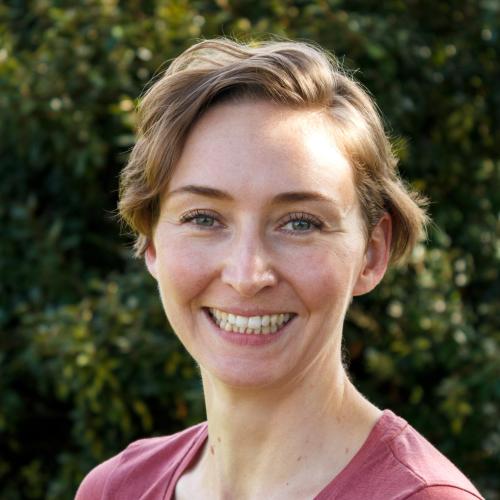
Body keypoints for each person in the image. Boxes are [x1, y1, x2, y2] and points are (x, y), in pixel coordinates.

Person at [76, 38, 483, 499]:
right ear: (151, 242)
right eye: (203, 218)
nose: (247, 275)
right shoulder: (114, 489)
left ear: (371, 253)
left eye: (300, 223)